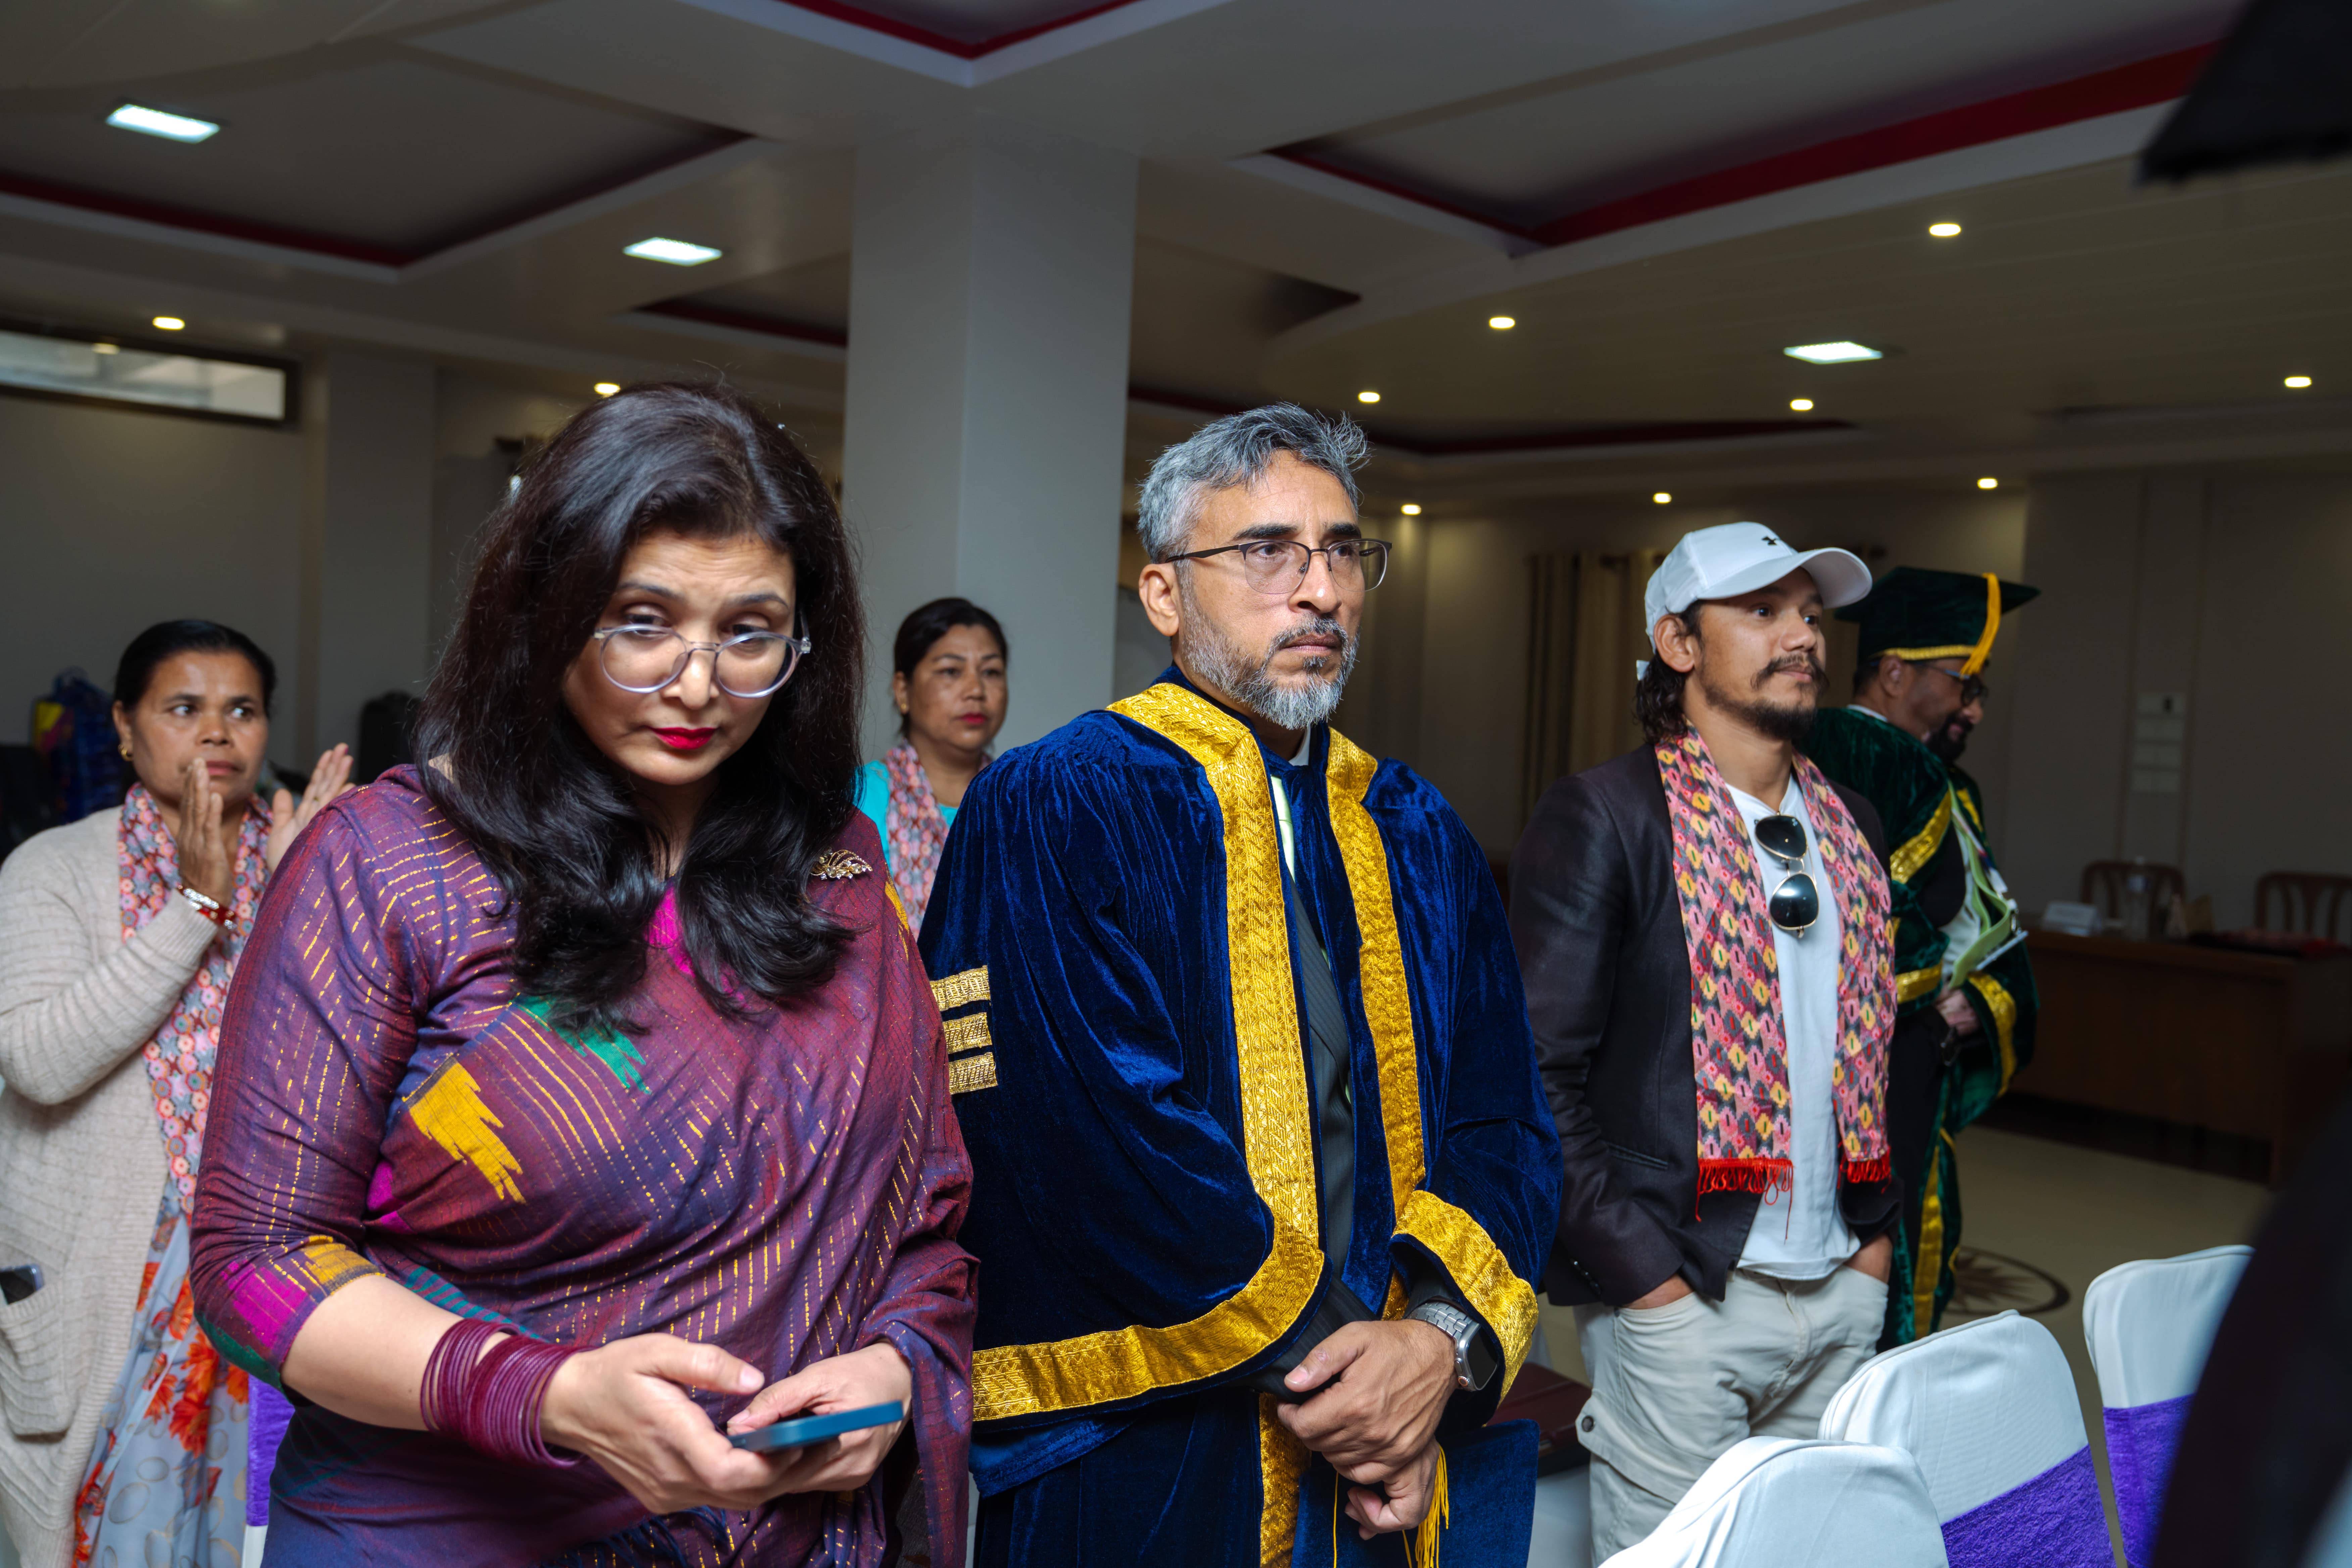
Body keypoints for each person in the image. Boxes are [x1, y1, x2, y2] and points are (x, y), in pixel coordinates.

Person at [185, 383, 975, 1566]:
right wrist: (541, 1391)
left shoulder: (838, 872)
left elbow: (922, 1223)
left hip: (771, 1531)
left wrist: (892, 1370)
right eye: (641, 622)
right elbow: (254, 1263)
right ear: (545, 612)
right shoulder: (388, 865)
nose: (697, 683)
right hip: (442, 1537)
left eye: (749, 633)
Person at [923, 404, 1559, 1566]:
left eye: (1341, 552)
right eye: (1267, 551)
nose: (1318, 591)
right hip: (1152, 1448)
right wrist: (1352, 1383)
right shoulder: (1056, 801)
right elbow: (1088, 1137)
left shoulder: (1414, 825)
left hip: (1386, 1430)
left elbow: (1501, 1118)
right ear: (1163, 595)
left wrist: (1432, 1344)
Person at [1509, 522, 1903, 1560]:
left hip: (1840, 1286)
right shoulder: (1607, 815)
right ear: (1678, 644)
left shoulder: (1852, 825)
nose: (1802, 637)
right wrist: (1648, 1285)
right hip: (1687, 1293)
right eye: (1762, 611)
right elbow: (1536, 1073)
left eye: (1809, 615)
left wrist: (1871, 1254)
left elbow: (1869, 1051)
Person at [0, 620, 350, 1568]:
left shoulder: (309, 862)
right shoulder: (53, 870)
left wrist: (303, 900)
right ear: (124, 727)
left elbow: (339, 1077)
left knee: (261, 1532)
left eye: (243, 710)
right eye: (183, 707)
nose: (217, 732)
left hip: (265, 1263)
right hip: (111, 1280)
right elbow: (39, 1063)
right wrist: (197, 907)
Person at [1802, 565, 2040, 1347]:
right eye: (1961, 682)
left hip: (1918, 1068)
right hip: (1860, 1076)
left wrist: (1980, 1002)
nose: (1973, 706)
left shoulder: (1953, 786)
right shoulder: (1840, 752)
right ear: (1896, 672)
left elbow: (1994, 930)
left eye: (1980, 688)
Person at [854, 599, 1008, 932]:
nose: (976, 690)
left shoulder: (1022, 803)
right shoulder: (858, 800)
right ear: (903, 689)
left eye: (991, 672)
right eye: (951, 671)